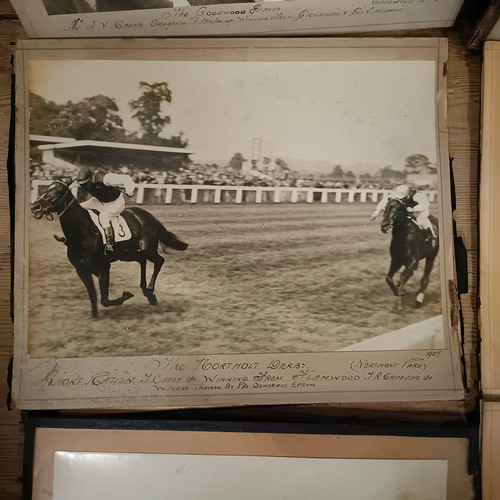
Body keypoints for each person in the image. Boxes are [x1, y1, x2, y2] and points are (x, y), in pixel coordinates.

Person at [76, 166, 136, 256]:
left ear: (91, 178)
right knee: (78, 207)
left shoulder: (106, 178)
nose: (83, 187)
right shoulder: (84, 179)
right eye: (82, 185)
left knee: (103, 217)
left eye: (85, 184)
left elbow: (126, 178)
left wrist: (130, 190)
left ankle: (109, 244)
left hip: (115, 203)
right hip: (99, 201)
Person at [370, 184, 437, 239]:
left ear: (407, 193)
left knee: (420, 221)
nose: (399, 199)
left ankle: (431, 233)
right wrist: (376, 213)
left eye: (402, 197)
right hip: (405, 208)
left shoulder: (416, 195)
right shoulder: (394, 194)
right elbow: (384, 202)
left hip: (419, 209)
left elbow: (425, 204)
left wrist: (414, 209)